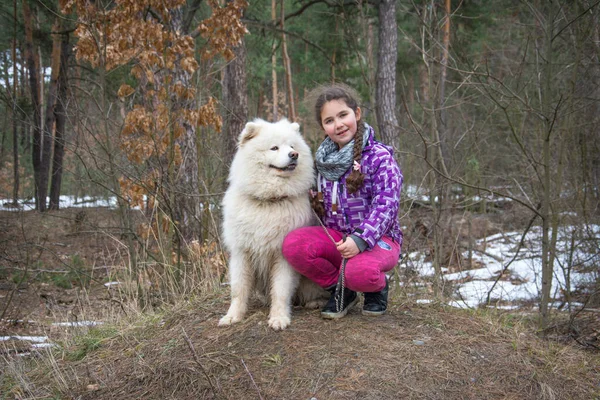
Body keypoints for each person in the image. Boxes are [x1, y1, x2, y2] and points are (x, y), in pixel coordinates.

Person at [282, 84, 403, 319]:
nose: (338, 124)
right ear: (323, 127)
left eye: (343, 115)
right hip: (336, 239)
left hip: (377, 239)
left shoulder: (379, 158)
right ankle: (341, 290)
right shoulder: (321, 163)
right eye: (329, 120)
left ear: (356, 114)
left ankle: (376, 288)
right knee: (293, 246)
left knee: (360, 272)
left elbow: (386, 205)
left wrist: (360, 239)